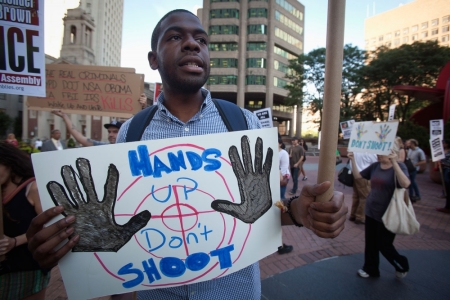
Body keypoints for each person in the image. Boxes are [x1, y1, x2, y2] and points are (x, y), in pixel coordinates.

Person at [25, 9, 347, 299]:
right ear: (153, 59)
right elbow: (125, 215)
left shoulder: (242, 123)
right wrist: (80, 243)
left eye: (202, 40)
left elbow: (263, 213)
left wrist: (295, 210)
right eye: (176, 36)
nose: (193, 44)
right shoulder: (131, 132)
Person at [348, 150, 410, 279]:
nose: (379, 154)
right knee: (370, 243)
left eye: (382, 153)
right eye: (378, 152)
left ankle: (402, 264)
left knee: (384, 244)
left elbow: (405, 184)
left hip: (388, 213)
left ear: (391, 153)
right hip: (371, 210)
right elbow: (358, 176)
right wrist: (352, 160)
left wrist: (394, 162)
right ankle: (371, 269)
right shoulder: (375, 166)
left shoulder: (399, 166)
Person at [0, 142, 49, 300]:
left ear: (9, 162)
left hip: (26, 267)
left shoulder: (33, 188)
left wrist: (14, 241)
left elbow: (48, 227)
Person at [51, 110, 123, 146]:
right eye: (109, 132)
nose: (110, 135)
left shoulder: (129, 146)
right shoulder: (103, 146)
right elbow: (80, 138)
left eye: (115, 132)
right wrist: (64, 116)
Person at [348, 152, 378, 224]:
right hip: (364, 175)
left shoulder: (355, 150)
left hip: (355, 173)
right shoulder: (370, 152)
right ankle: (360, 216)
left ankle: (353, 214)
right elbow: (376, 162)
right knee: (364, 196)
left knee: (356, 195)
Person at [436, 139, 450, 214]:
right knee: (446, 187)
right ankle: (447, 206)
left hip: (448, 169)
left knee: (448, 186)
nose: (443, 144)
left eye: (444, 143)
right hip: (444, 169)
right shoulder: (443, 150)